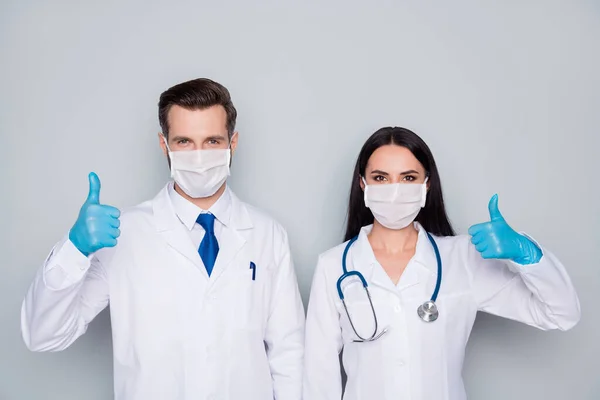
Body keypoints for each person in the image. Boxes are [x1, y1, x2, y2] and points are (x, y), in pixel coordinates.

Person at [21, 78, 305, 400]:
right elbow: (42, 335)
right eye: (184, 142)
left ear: (233, 143)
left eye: (212, 141)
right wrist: (74, 249)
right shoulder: (122, 234)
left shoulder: (268, 234)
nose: (199, 157)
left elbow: (288, 356)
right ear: (164, 144)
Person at [302, 126, 580, 400]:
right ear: (363, 184)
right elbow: (319, 378)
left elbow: (561, 314)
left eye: (408, 178)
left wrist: (527, 255)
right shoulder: (334, 266)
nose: (395, 191)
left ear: (427, 184)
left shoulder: (463, 258)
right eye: (381, 178)